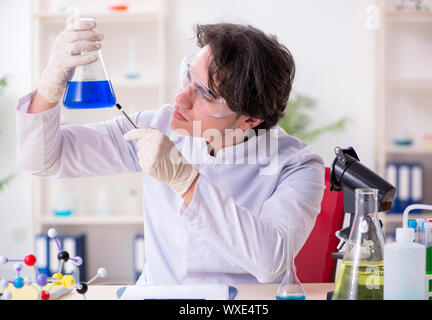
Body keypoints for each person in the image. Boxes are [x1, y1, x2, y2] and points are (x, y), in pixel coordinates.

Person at [16, 18, 325, 285]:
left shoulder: (296, 166)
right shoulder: (155, 125)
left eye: (204, 94)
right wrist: (50, 84)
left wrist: (186, 181)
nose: (181, 97)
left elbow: (270, 261)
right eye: (187, 75)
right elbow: (44, 160)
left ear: (249, 119)